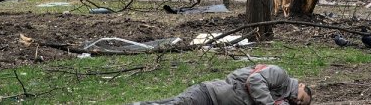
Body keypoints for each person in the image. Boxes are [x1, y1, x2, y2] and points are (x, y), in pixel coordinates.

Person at [132, 64, 312, 105]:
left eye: (301, 104)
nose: (298, 100)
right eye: (302, 97)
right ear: (301, 86)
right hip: (210, 94)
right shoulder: (281, 76)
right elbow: (255, 81)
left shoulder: (282, 99)